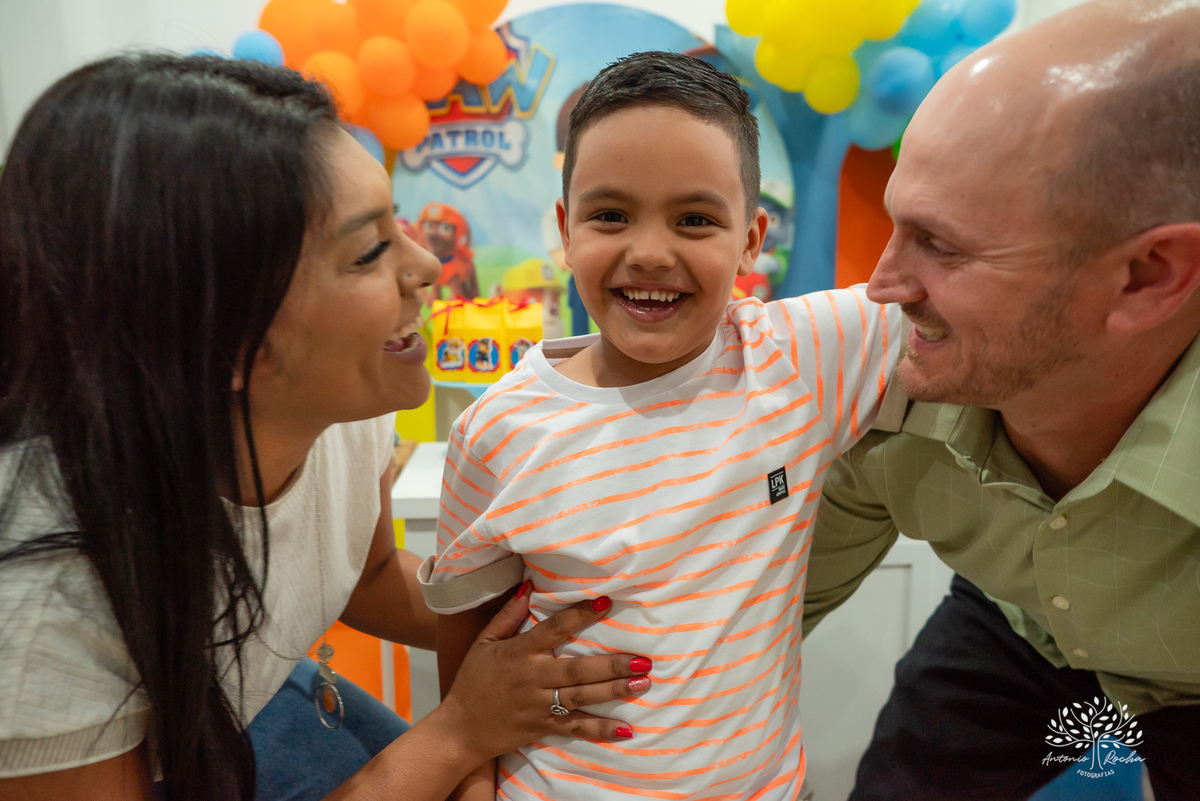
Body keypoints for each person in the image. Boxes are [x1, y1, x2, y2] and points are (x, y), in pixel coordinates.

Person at [0, 53, 653, 801]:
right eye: (370, 250)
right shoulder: (41, 601)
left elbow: (368, 576)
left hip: (251, 692)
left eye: (397, 225)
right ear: (227, 343)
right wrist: (462, 730)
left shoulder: (346, 402)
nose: (428, 267)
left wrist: (545, 632)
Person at [420, 52, 902, 800]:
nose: (649, 252)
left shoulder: (795, 358)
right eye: (610, 215)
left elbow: (953, 288)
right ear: (565, 228)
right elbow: (471, 664)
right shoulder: (500, 429)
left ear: (751, 239)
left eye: (695, 219)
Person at [800, 1, 1200, 799]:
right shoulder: (878, 367)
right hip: (1020, 626)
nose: (882, 287)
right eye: (894, 225)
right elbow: (735, 618)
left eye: (941, 245)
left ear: (1148, 275)